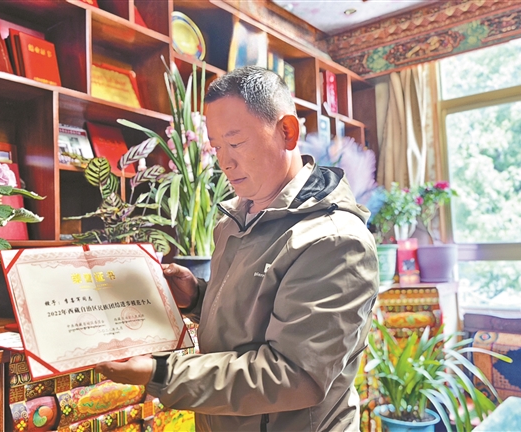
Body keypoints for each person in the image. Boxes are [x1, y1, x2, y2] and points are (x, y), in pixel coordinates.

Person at [95, 66, 378, 432]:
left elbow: (295, 374)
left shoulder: (334, 240)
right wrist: (197, 297)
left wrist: (161, 372)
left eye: (236, 143)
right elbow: (254, 318)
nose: (224, 162)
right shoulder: (236, 218)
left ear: (287, 132)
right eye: (216, 147)